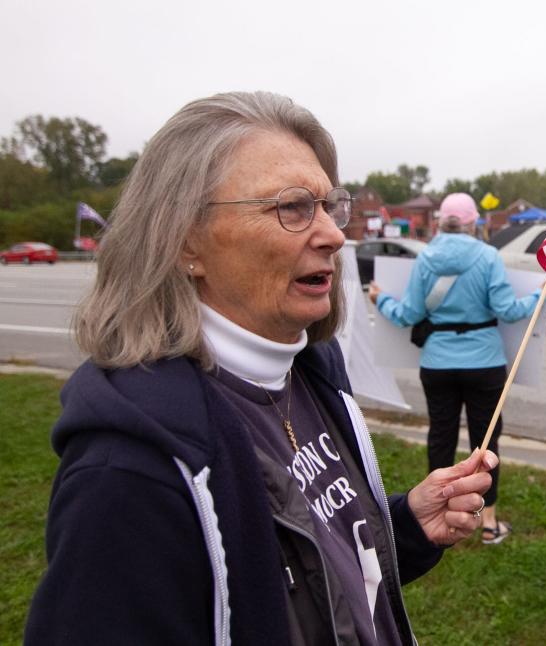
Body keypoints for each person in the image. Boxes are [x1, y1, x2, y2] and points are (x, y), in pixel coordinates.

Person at [24, 91, 498, 646]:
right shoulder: (128, 474)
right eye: (292, 207)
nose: (334, 234)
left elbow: (308, 568)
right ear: (184, 240)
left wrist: (407, 528)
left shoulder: (312, 374)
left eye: (328, 205)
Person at [368, 193, 539, 544]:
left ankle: (438, 514)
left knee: (440, 436)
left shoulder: (426, 258)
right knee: (486, 440)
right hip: (485, 362)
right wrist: (540, 295)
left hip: (437, 363)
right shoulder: (488, 256)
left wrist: (380, 298)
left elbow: (408, 315)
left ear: (440, 222)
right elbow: (508, 310)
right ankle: (488, 520)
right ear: (473, 222)